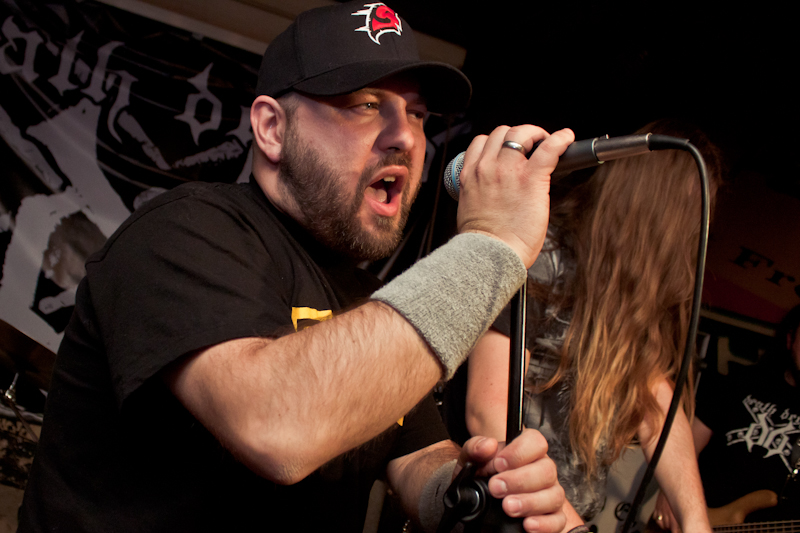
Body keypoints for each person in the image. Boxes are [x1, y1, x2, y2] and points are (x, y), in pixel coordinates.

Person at [17, 2, 577, 532]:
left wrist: (474, 488)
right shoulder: (182, 232)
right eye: (365, 104)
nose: (406, 136)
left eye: (417, 114)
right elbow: (274, 427)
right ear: (272, 128)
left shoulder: (368, 295)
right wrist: (489, 243)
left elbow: (416, 456)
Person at [463, 119, 724, 532]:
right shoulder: (543, 255)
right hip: (506, 515)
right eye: (694, 210)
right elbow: (486, 409)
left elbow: (655, 398)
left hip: (570, 517)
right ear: (662, 205)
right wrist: (566, 524)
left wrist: (696, 521)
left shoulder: (637, 290)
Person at [654, 304, 800, 529]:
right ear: (790, 340)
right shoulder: (743, 381)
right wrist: (669, 493)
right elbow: (686, 444)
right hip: (692, 522)